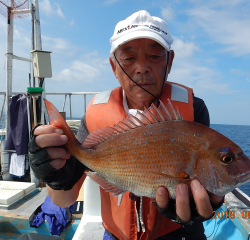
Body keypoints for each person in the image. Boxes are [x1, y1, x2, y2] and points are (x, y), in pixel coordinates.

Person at [29, 10, 224, 240]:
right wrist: (56, 175)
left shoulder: (193, 110)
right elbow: (65, 199)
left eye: (155, 56)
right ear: (114, 67)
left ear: (169, 62)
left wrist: (207, 204)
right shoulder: (94, 116)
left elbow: (207, 177)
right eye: (129, 58)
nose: (141, 68)